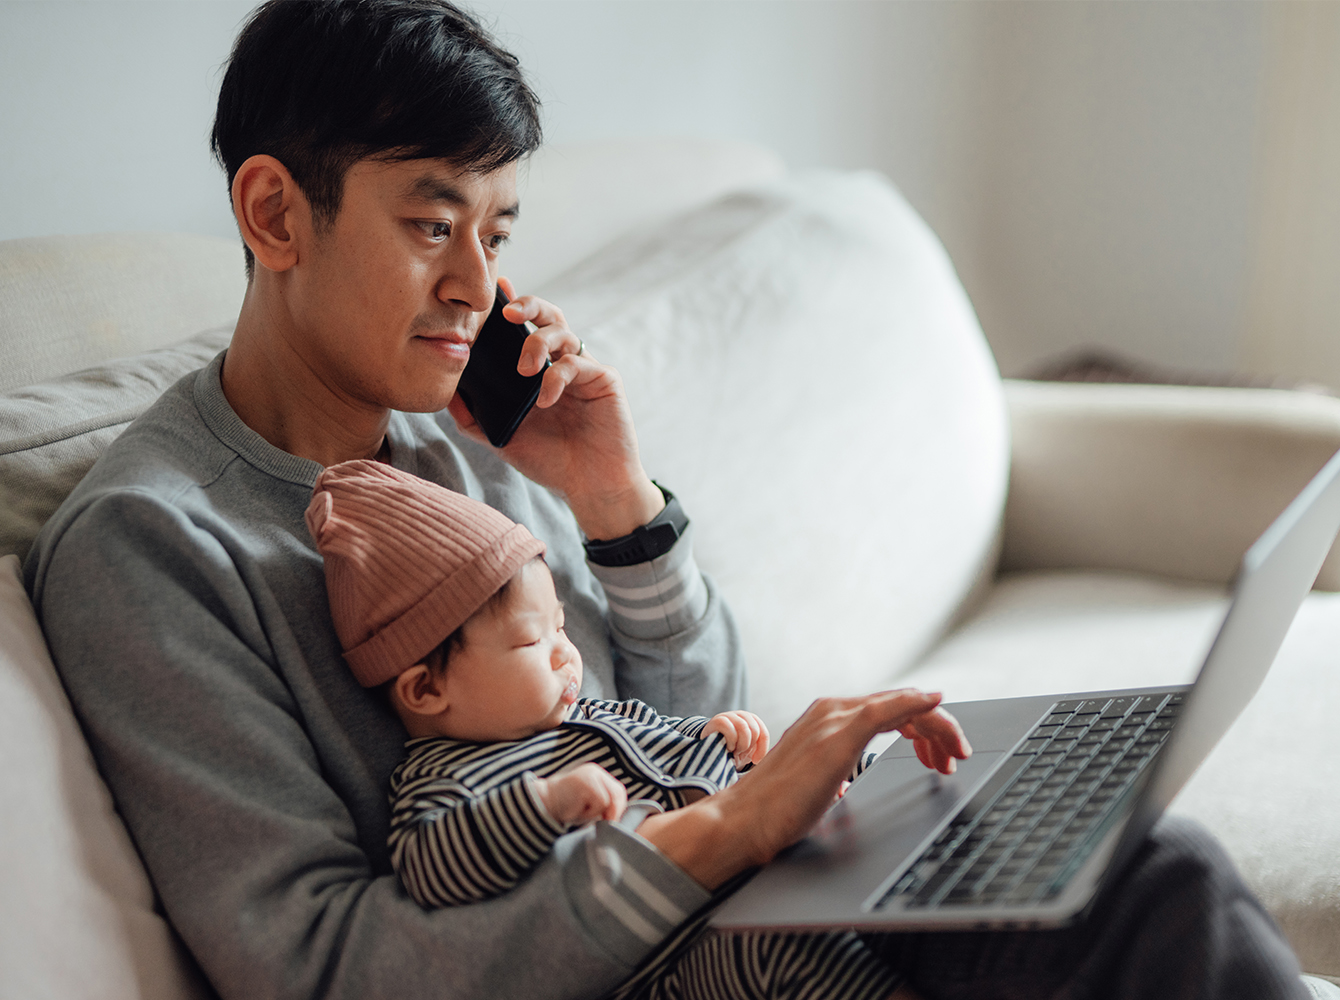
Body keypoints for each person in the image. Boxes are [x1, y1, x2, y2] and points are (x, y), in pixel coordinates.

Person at [21, 1, 1312, 998]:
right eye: (431, 225)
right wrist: (723, 836)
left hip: (741, 906)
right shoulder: (151, 545)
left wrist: (610, 496)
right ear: (274, 212)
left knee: (1149, 876)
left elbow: (679, 720)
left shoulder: (457, 446)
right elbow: (320, 967)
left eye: (499, 232)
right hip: (626, 965)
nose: (476, 281)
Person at [307, 458, 922, 1000]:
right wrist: (543, 806)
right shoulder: (442, 778)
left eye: (561, 628)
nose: (565, 654)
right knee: (776, 952)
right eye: (531, 640)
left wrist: (720, 740)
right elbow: (432, 867)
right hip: (674, 960)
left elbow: (671, 746)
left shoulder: (595, 717)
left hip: (754, 876)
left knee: (864, 772)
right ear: (426, 689)